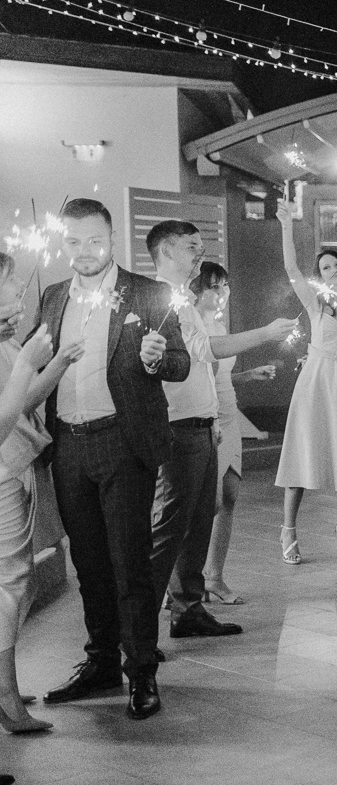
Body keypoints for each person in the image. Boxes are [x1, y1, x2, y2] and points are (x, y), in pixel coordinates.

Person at [38, 198, 190, 721]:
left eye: (95, 241)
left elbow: (181, 361)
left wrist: (158, 358)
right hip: (69, 448)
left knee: (130, 563)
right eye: (74, 242)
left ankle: (141, 672)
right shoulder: (54, 296)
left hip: (123, 444)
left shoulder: (145, 294)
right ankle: (100, 661)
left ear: (111, 238)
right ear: (65, 242)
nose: (85, 251)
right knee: (89, 563)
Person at [146, 221, 296, 637]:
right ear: (166, 251)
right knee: (171, 528)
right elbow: (206, 349)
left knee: (198, 522)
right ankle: (140, 628)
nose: (200, 253)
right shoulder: (159, 300)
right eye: (192, 247)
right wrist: (265, 333)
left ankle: (188, 610)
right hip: (177, 429)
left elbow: (204, 365)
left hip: (204, 424)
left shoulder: (182, 303)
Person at [0, 252, 76, 734]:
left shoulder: (6, 338)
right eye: (9, 284)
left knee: (16, 578)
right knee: (9, 582)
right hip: (3, 471)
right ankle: (6, 697)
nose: (19, 292)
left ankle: (5, 683)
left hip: (17, 464)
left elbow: (22, 398)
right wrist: (29, 360)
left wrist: (58, 362)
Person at [276, 204, 337, 563]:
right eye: (326, 268)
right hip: (316, 380)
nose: (333, 270)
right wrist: (286, 225)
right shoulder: (316, 304)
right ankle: (289, 532)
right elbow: (290, 269)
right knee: (302, 454)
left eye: (336, 264)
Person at [190, 263, 278, 604]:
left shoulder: (220, 325)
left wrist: (248, 375)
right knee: (205, 504)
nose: (223, 293)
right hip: (207, 418)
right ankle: (184, 581)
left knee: (228, 497)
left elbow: (221, 377)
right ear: (197, 289)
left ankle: (215, 576)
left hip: (229, 416)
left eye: (225, 285)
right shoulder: (191, 324)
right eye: (215, 287)